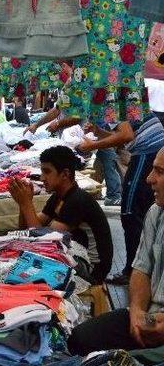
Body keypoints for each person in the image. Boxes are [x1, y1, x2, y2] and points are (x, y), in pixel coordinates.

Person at [68, 148, 164, 355]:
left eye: (160, 172)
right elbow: (141, 268)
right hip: (150, 315)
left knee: (128, 363)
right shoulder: (156, 213)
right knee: (80, 338)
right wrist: (137, 311)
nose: (149, 179)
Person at [78, 115, 164, 285]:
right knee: (142, 210)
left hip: (147, 150)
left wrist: (92, 145)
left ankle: (134, 271)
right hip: (147, 150)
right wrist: (99, 132)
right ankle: (144, 268)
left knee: (130, 212)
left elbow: (126, 136)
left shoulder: (112, 99)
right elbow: (123, 136)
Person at [9, 146, 113, 285]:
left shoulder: (77, 200)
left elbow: (44, 241)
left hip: (92, 270)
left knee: (30, 268)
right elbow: (27, 230)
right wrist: (23, 204)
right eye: (41, 171)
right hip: (76, 256)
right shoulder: (58, 197)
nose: (42, 178)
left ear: (65, 174)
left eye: (47, 172)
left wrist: (26, 203)